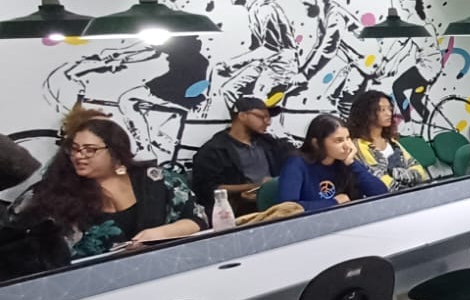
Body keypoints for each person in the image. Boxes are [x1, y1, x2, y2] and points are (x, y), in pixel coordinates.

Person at [14, 109, 206, 259]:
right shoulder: (51, 194)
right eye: (75, 149)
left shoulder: (156, 179)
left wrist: (157, 234)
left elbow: (197, 220)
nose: (80, 156)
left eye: (90, 150)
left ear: (115, 152)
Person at [191, 96, 295, 214]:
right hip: (240, 210)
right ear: (242, 116)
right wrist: (254, 187)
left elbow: (294, 160)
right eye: (263, 117)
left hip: (277, 204)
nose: (268, 122)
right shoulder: (214, 150)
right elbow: (208, 189)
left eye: (269, 117)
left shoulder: (268, 143)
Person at [276, 113, 388, 212]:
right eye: (338, 141)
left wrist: (352, 164)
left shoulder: (347, 161)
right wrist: (333, 202)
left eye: (348, 138)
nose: (347, 146)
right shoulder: (296, 163)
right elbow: (288, 209)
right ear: (316, 143)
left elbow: (381, 194)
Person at [347, 90, 430, 191]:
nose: (389, 113)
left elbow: (420, 171)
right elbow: (381, 182)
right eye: (382, 110)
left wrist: (393, 172)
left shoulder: (391, 141)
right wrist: (406, 176)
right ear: (367, 113)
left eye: (390, 109)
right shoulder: (359, 145)